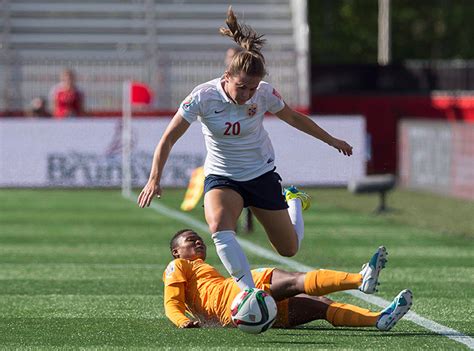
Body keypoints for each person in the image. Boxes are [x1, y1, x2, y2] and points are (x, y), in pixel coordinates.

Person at [138, 7, 353, 292]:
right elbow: (168, 138)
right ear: (227, 76)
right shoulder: (202, 97)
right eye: (242, 87)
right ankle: (250, 294)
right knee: (218, 227)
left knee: (289, 250)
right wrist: (154, 178)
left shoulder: (264, 93)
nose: (248, 95)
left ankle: (294, 202)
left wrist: (331, 140)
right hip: (222, 176)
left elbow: (294, 118)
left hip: (260, 173)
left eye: (252, 89)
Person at [163, 229, 413, 330]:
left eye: (199, 238)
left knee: (320, 305)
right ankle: (360, 279)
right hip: (239, 295)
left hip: (240, 316)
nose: (198, 240)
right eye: (190, 239)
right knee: (294, 280)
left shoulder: (202, 271)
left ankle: (378, 320)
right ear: (176, 252)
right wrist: (181, 321)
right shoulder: (178, 265)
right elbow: (171, 302)